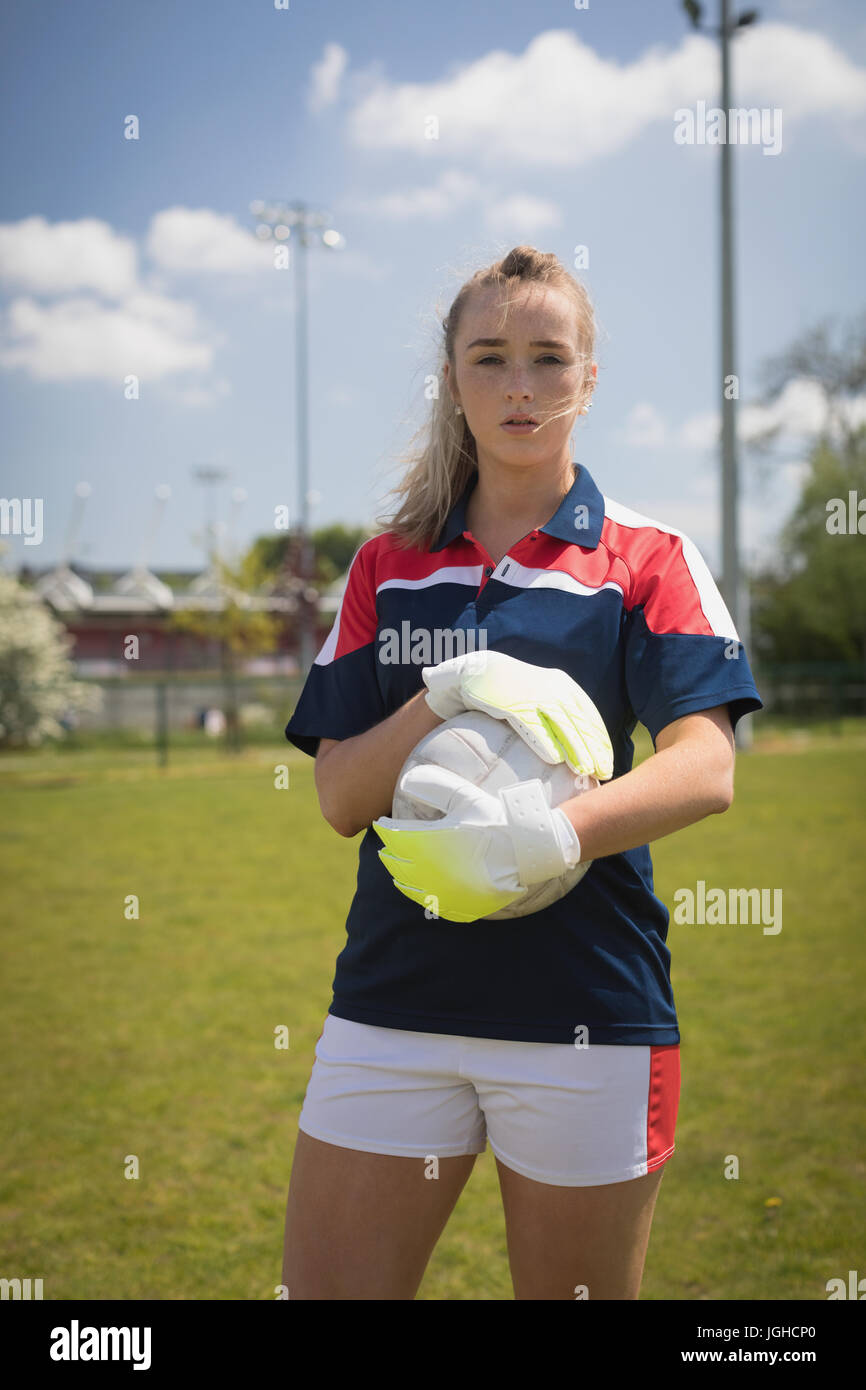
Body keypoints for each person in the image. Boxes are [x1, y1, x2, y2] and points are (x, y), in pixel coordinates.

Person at [281, 245, 762, 1300]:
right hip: (391, 1007)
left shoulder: (647, 555)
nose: (517, 385)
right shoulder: (386, 566)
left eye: (547, 358)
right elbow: (337, 797)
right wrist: (437, 697)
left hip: (586, 1010)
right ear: (451, 376)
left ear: (587, 378)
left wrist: (557, 835)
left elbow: (704, 763)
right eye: (488, 357)